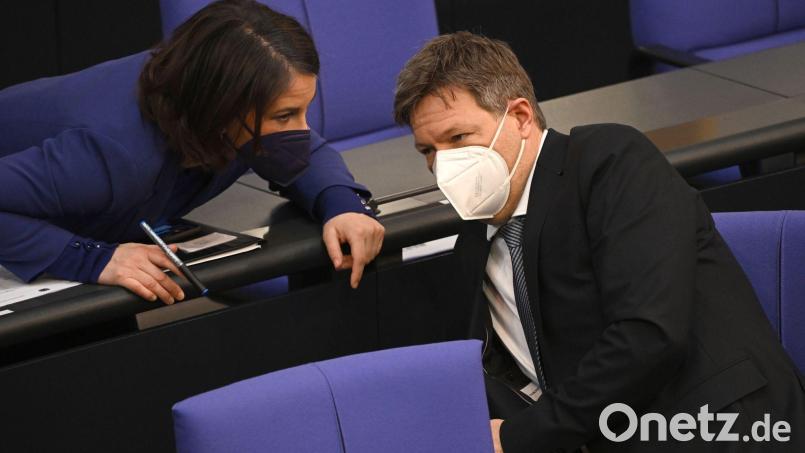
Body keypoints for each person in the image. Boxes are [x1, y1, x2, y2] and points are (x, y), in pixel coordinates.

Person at [394, 32, 805, 452]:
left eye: (458, 138)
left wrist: (528, 436)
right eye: (428, 150)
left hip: (715, 429)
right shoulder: (473, 242)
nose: (442, 165)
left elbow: (648, 336)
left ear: (519, 117)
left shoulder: (609, 161)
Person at [0, 0, 384, 304]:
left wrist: (345, 207)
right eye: (285, 115)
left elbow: (307, 151)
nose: (302, 129)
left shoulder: (217, 105)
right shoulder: (111, 154)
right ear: (221, 107)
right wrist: (92, 257)